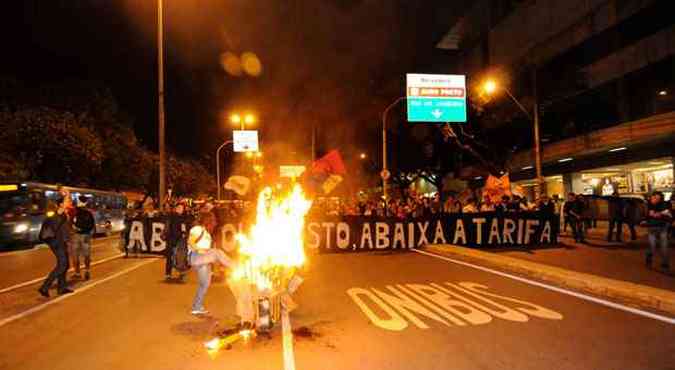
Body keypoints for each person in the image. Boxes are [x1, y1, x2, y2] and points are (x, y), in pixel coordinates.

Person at [188, 212, 233, 315]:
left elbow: (208, 250)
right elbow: (191, 242)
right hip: (196, 257)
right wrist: (200, 250)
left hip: (203, 260)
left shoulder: (207, 233)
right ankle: (238, 267)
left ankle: (197, 307)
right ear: (207, 220)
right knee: (218, 252)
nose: (215, 222)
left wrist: (212, 262)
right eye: (213, 220)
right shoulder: (197, 229)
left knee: (204, 284)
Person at [38, 200, 74, 297]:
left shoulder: (64, 215)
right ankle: (44, 287)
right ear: (61, 205)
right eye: (67, 202)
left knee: (65, 265)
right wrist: (65, 195)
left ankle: (61, 288)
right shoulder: (58, 213)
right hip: (57, 243)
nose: (70, 203)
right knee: (62, 265)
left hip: (61, 242)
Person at [643, 191, 672, 271]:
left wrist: (662, 214)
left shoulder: (664, 204)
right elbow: (650, 214)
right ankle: (649, 257)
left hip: (662, 227)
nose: (654, 199)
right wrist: (660, 214)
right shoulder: (649, 204)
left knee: (664, 246)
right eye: (653, 197)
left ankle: (665, 264)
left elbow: (669, 214)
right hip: (652, 228)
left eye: (656, 198)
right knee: (652, 246)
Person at [72, 196, 95, 280]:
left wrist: (77, 228)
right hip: (85, 235)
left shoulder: (76, 212)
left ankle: (79, 272)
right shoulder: (88, 213)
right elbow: (92, 225)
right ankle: (86, 271)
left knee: (76, 255)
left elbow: (71, 223)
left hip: (78, 235)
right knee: (85, 255)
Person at [165, 203, 190, 280]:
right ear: (175, 208)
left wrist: (185, 234)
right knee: (169, 257)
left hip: (181, 240)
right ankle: (168, 274)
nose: (180, 209)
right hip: (171, 239)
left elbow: (187, 228)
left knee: (181, 257)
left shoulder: (185, 218)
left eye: (181, 208)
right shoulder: (171, 216)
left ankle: (182, 273)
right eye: (178, 207)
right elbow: (168, 227)